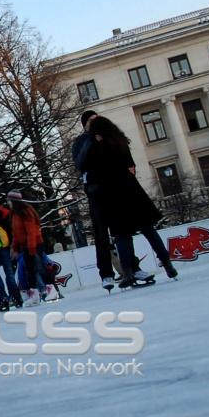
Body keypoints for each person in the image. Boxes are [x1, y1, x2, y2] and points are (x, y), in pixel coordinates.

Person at [84, 116, 178, 287]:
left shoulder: (97, 147)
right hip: (132, 190)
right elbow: (131, 166)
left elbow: (90, 167)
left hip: (113, 194)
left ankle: (127, 272)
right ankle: (167, 263)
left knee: (122, 235)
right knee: (149, 230)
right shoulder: (120, 141)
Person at [72, 110, 119, 290]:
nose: (96, 122)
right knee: (101, 233)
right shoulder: (82, 141)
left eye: (97, 119)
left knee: (122, 230)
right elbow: (79, 163)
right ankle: (106, 274)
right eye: (92, 120)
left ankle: (132, 267)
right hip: (95, 189)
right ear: (86, 124)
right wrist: (92, 139)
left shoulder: (108, 136)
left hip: (113, 187)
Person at [6, 191, 48, 306]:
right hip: (26, 246)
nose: (8, 203)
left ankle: (48, 290)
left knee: (38, 268)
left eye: (9, 200)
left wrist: (31, 248)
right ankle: (35, 294)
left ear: (14, 201)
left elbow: (31, 232)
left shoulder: (26, 212)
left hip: (34, 244)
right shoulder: (14, 214)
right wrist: (14, 248)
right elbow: (15, 233)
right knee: (30, 270)